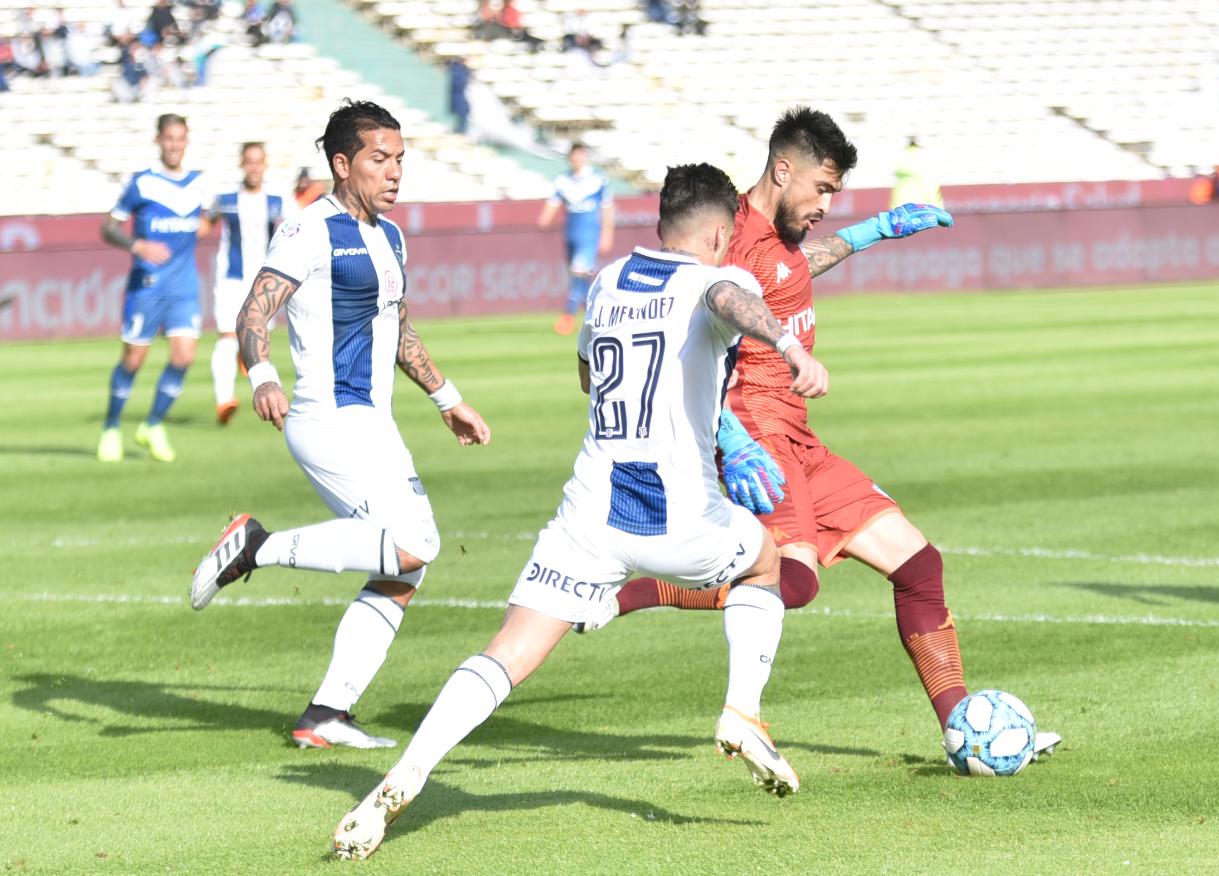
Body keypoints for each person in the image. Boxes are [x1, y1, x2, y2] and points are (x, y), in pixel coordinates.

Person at [329, 162, 830, 860]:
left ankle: (406, 774)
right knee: (766, 563)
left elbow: (590, 377)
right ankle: (743, 710)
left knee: (506, 652)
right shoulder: (723, 277)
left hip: (588, 513)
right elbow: (723, 297)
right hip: (677, 517)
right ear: (720, 231)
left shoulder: (606, 281)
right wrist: (786, 343)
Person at [583, 107, 1061, 759]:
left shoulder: (775, 240)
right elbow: (687, 331)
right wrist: (729, 435)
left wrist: (875, 233)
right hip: (756, 434)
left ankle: (960, 731)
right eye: (823, 189)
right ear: (783, 170)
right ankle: (632, 591)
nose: (827, 205)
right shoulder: (726, 237)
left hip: (800, 439)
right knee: (796, 583)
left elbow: (794, 271)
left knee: (919, 565)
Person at [189, 100, 492, 751]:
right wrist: (262, 373)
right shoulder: (308, 230)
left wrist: (447, 397)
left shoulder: (391, 236)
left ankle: (326, 713)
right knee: (414, 546)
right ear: (341, 163)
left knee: (406, 569)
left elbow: (399, 327)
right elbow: (255, 308)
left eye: (401, 159)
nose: (395, 173)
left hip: (375, 424)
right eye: (380, 160)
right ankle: (256, 547)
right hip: (327, 419)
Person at [97, 113, 207, 463]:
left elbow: (209, 220)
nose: (174, 145)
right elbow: (108, 226)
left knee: (184, 356)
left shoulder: (199, 184)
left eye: (180, 138)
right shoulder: (142, 184)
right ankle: (111, 427)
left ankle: (153, 425)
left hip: (185, 286)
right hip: (146, 286)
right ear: (158, 140)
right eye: (168, 138)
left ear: (186, 141)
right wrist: (138, 246)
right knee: (133, 360)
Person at [202, 141, 297, 425]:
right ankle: (224, 401)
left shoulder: (278, 200)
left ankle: (252, 372)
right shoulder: (226, 199)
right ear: (242, 164)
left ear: (265, 164)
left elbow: (299, 228)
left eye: (259, 161)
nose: (254, 167)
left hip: (265, 282)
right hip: (231, 279)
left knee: (258, 339)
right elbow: (205, 223)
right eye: (249, 162)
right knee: (227, 336)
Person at [538, 142, 614, 335]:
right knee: (578, 277)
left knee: (579, 272)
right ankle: (594, 312)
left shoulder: (597, 179)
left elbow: (607, 208)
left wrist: (607, 234)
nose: (578, 160)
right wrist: (545, 218)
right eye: (575, 156)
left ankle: (567, 317)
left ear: (585, 157)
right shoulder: (563, 180)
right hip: (571, 232)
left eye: (581, 156)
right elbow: (553, 202)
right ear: (570, 158)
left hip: (589, 233)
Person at [891, 135, 943, 210]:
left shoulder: (900, 157)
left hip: (902, 206)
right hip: (926, 206)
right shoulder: (929, 158)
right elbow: (931, 189)